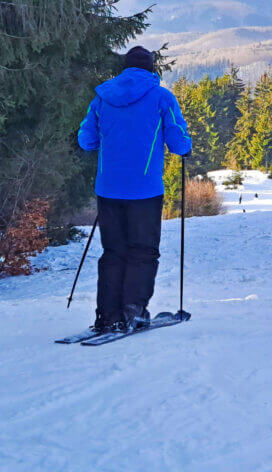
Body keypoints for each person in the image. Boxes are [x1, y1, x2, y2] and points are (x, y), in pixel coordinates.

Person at [77, 46, 193, 334]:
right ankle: (133, 311)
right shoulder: (162, 97)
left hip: (108, 189)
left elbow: (86, 141)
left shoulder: (102, 98)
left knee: (113, 251)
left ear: (125, 68)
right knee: (142, 251)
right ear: (151, 68)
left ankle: (107, 315)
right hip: (145, 190)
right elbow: (179, 142)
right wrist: (186, 149)